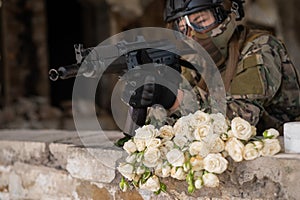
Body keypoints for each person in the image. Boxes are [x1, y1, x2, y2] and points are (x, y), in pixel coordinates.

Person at [121, 0, 300, 140]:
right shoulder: (194, 63)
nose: (191, 35)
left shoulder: (261, 48)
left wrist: (173, 99)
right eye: (182, 29)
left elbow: (238, 122)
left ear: (225, 13)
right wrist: (149, 97)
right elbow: (163, 129)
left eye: (200, 21)